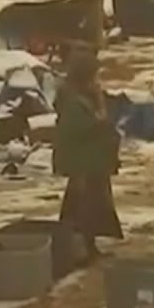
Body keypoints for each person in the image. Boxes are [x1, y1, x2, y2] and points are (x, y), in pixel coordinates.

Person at [54, 51, 124, 259]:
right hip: (82, 163)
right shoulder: (73, 100)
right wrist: (100, 119)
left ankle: (89, 247)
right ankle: (77, 251)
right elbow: (78, 129)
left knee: (93, 207)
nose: (96, 80)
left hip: (94, 162)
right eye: (94, 75)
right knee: (81, 209)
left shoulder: (86, 96)